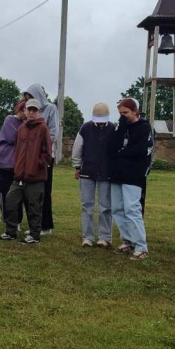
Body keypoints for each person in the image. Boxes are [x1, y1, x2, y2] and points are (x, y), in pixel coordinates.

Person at [0, 99, 52, 245]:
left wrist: (37, 165)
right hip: (19, 175)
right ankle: (11, 232)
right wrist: (18, 168)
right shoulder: (21, 129)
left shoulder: (43, 128)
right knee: (10, 201)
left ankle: (34, 235)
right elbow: (18, 150)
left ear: (38, 111)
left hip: (35, 176)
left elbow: (47, 153)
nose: (31, 112)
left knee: (34, 207)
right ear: (25, 111)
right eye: (29, 109)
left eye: (34, 110)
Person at [108, 97, 153, 260]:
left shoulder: (144, 127)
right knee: (118, 209)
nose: (123, 115)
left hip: (134, 174)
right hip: (117, 173)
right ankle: (127, 241)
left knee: (132, 209)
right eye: (120, 113)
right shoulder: (121, 125)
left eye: (125, 112)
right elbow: (112, 146)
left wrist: (119, 153)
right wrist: (121, 127)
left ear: (135, 111)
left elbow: (139, 150)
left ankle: (141, 247)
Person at [72, 102, 115, 248]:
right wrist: (77, 166)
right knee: (87, 206)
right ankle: (87, 237)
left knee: (106, 206)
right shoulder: (85, 128)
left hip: (107, 172)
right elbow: (78, 148)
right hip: (87, 172)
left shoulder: (113, 128)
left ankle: (105, 237)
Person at [23, 84, 61, 235]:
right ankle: (35, 224)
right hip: (29, 157)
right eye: (27, 100)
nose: (29, 102)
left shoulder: (51, 109)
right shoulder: (29, 113)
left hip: (44, 157)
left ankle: (46, 225)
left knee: (44, 192)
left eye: (31, 98)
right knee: (30, 192)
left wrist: (40, 146)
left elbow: (54, 132)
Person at [0, 101, 26, 223]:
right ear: (20, 109)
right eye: (24, 110)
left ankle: (16, 221)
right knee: (4, 192)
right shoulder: (9, 120)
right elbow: (13, 138)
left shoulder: (26, 124)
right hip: (4, 163)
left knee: (18, 194)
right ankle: (8, 220)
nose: (26, 113)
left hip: (17, 165)